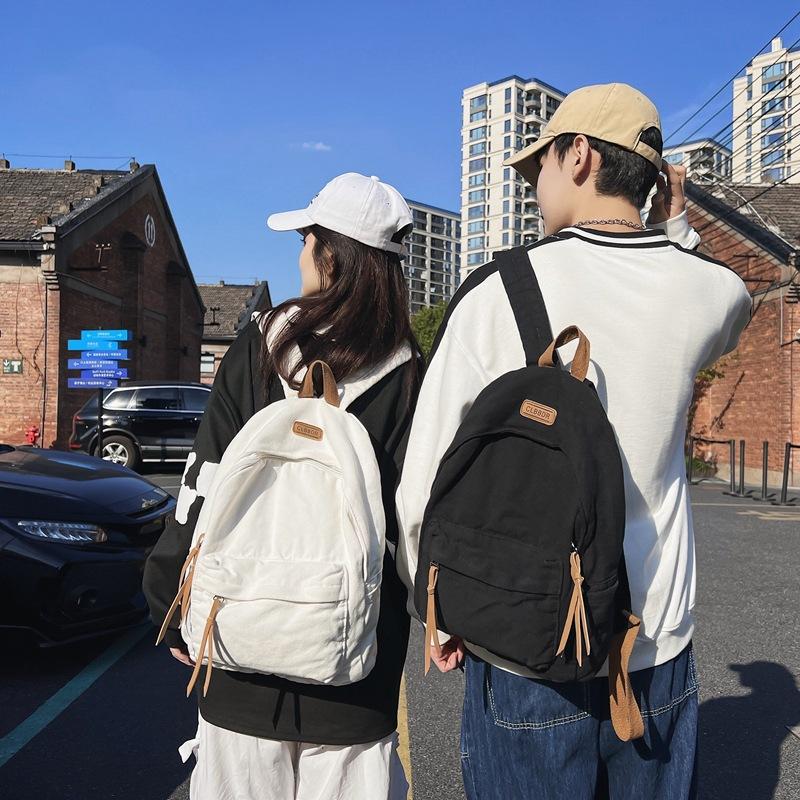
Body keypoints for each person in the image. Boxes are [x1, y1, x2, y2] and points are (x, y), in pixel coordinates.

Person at [396, 84, 752, 798]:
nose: (535, 185)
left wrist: (437, 609)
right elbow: (728, 295)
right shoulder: (709, 292)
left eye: (541, 166)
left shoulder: (498, 289)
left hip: (526, 638)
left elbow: (424, 481)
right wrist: (673, 226)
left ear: (581, 154)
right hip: (655, 649)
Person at [143, 173, 422, 800]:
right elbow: (413, 521)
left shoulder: (260, 347)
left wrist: (169, 599)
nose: (299, 256)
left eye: (304, 240)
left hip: (239, 641)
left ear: (329, 252)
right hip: (356, 664)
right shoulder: (408, 373)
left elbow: (204, 482)